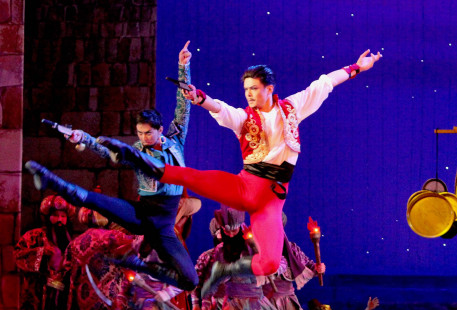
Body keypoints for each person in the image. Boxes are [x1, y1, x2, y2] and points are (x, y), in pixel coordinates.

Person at [95, 49, 382, 294]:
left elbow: (325, 83)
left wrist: (357, 67)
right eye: (246, 90)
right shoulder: (244, 118)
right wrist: (199, 98)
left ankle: (225, 270)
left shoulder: (292, 108)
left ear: (269, 88)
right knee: (188, 175)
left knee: (270, 263)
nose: (249, 94)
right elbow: (221, 109)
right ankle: (130, 155)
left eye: (254, 88)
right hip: (245, 187)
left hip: (271, 202)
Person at [24, 41, 198, 290]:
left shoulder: (176, 141)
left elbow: (183, 106)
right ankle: (49, 178)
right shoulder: (138, 150)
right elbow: (106, 152)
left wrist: (183, 66)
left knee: (190, 281)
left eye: (148, 133)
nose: (143, 138)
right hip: (141, 213)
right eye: (139, 133)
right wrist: (83, 138)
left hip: (164, 226)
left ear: (160, 130)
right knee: (96, 200)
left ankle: (138, 265)